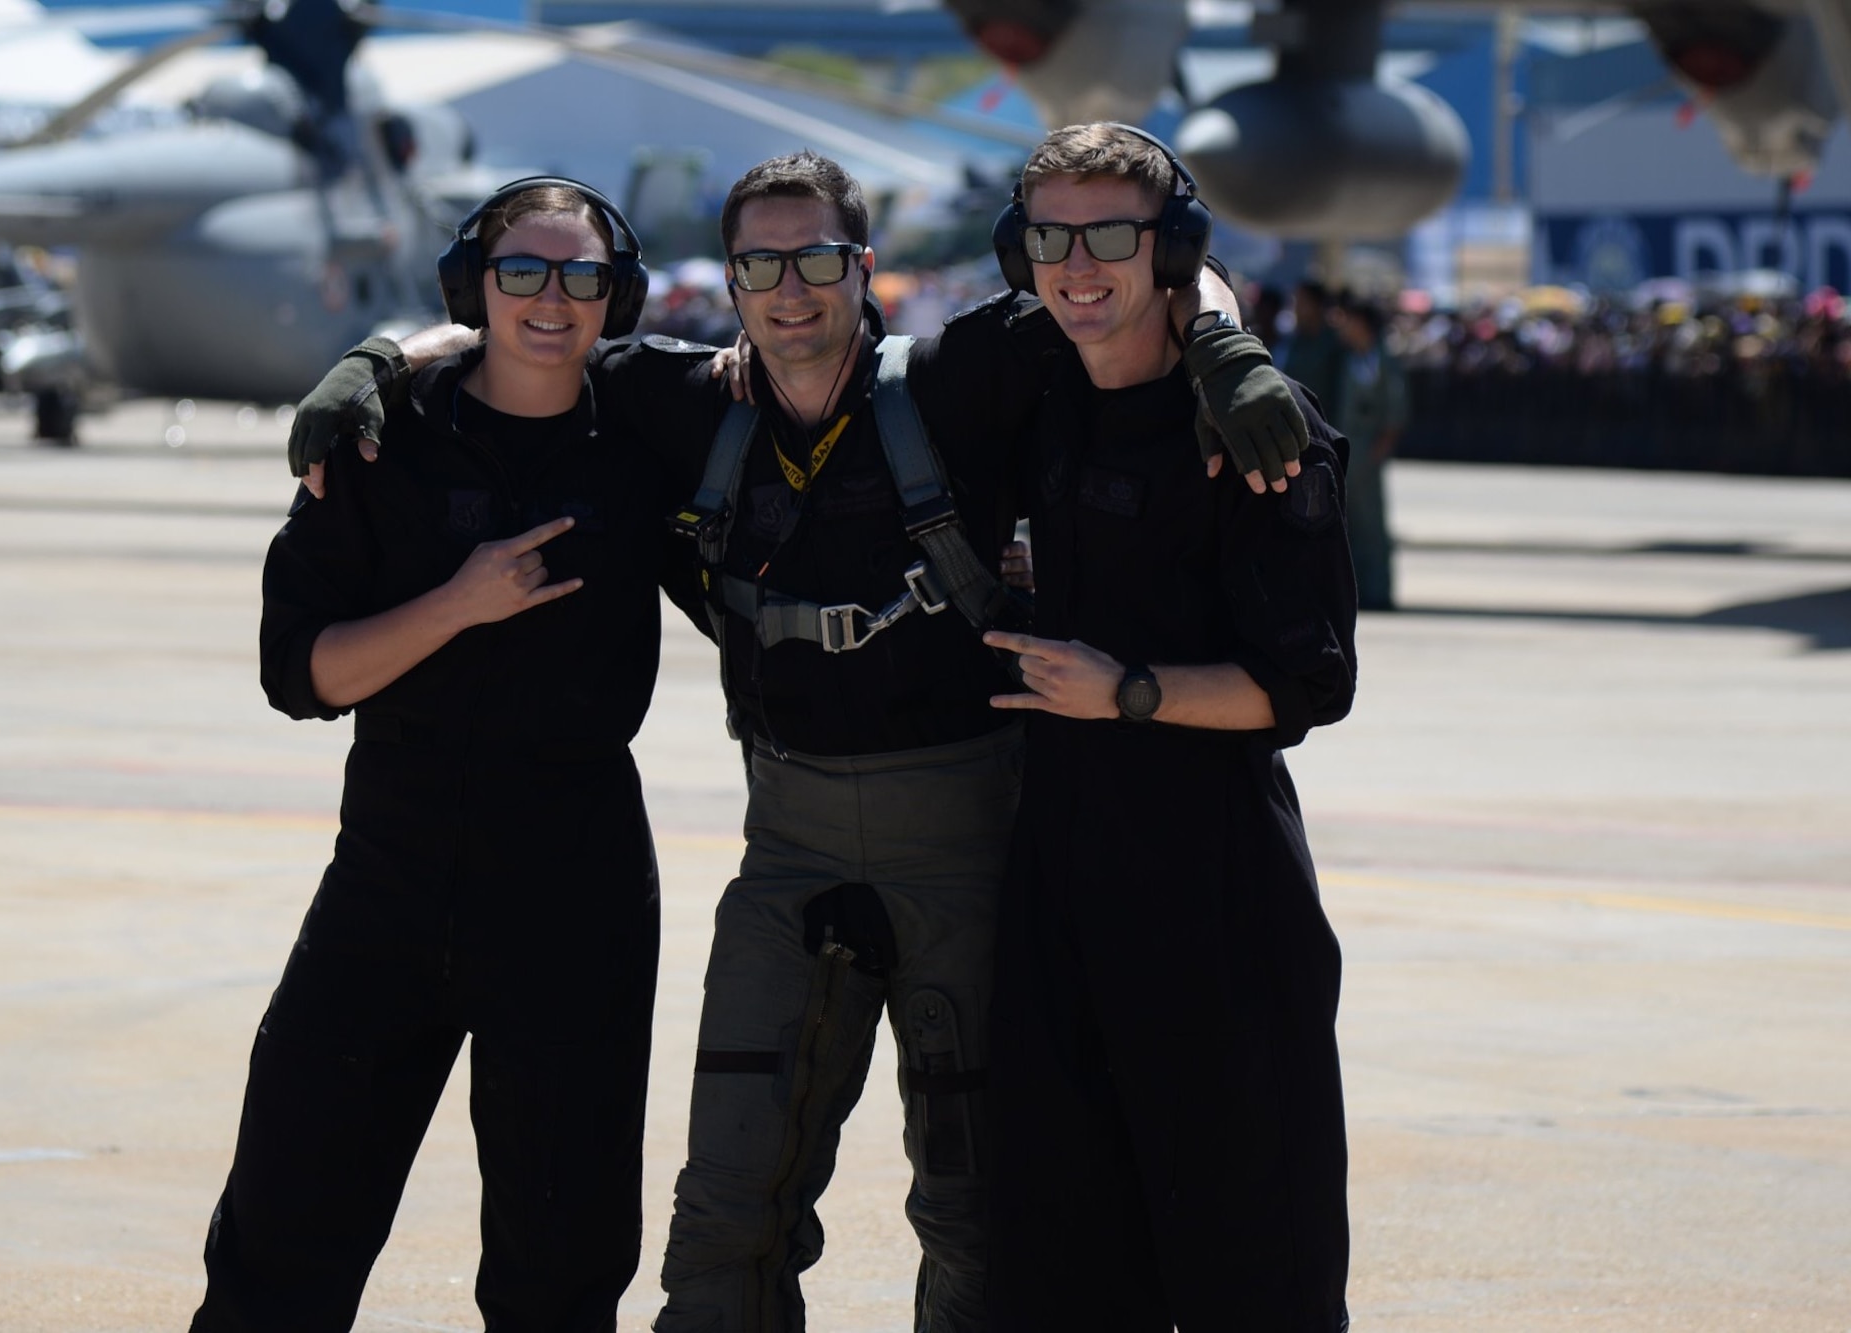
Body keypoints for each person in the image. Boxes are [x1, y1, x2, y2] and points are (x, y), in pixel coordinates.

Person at [282, 148, 1310, 1333]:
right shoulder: (681, 402)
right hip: (787, 848)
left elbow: (1142, 278)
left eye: (817, 258)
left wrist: (1227, 349)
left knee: (978, 1208)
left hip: (968, 851)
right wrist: (371, 358)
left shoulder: (956, 378)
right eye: (759, 263)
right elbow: (515, 329)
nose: (789, 288)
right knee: (727, 1209)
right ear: (725, 281)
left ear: (862, 268)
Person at [190, 179, 683, 1332]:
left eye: (580, 276)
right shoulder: (380, 442)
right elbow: (300, 674)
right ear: (475, 286)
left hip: (577, 883)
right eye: (522, 271)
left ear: (618, 296)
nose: (550, 299)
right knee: (282, 1224)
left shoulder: (651, 431)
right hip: (391, 872)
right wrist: (457, 604)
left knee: (561, 1255)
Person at [976, 123, 1359, 1332]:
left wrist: (1127, 689)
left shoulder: (1250, 424)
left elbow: (1309, 684)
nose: (1077, 263)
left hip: (1215, 904)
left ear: (1170, 250)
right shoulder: (1024, 388)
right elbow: (809, 338)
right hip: (1056, 901)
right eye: (1051, 235)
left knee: (1257, 1280)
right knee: (1061, 1278)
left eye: (1108, 235)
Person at [1335, 298, 1408, 610]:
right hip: (1347, 447)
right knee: (1347, 523)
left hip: (1368, 451)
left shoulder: (1383, 361)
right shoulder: (1348, 359)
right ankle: (1355, 591)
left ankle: (1379, 590)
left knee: (1372, 524)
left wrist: (1380, 450)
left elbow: (1396, 410)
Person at [1279, 277, 1346, 414]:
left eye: (1303, 303)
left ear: (1317, 306)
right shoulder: (1293, 341)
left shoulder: (1334, 344)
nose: (1297, 309)